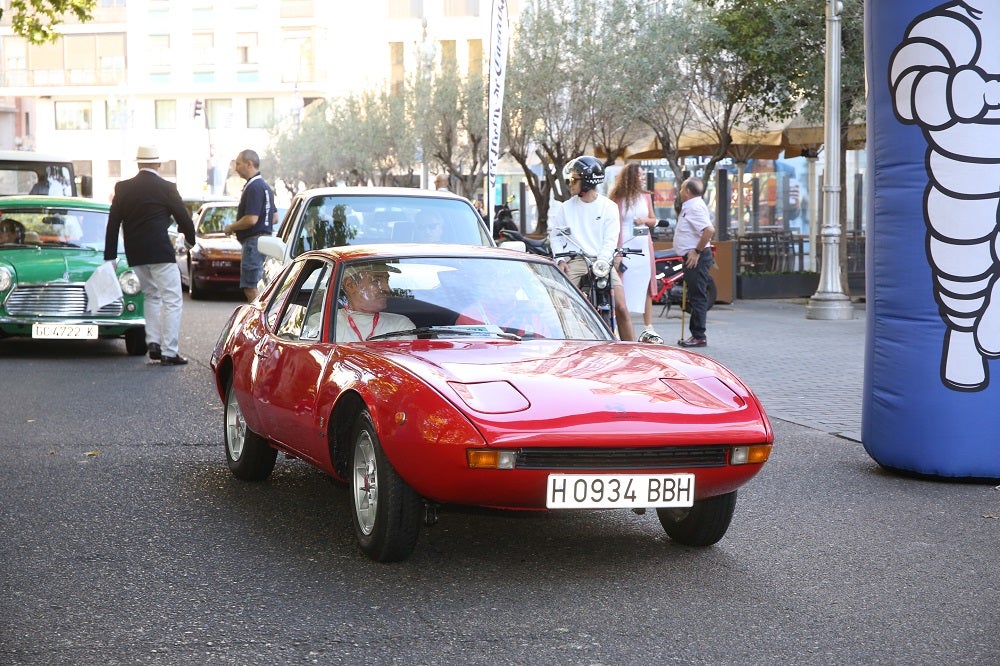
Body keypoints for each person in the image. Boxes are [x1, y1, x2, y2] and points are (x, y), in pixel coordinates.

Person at [104, 145, 196, 365]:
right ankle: (169, 351)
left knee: (151, 295)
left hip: (135, 253)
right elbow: (184, 218)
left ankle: (153, 343)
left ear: (138, 164)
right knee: (173, 299)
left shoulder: (123, 187)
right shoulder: (166, 187)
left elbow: (113, 223)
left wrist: (110, 256)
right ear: (158, 164)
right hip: (160, 251)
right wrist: (190, 241)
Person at [547, 156, 634, 341]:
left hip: (601, 261)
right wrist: (560, 260)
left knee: (622, 307)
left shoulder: (608, 207)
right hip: (576, 260)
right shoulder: (565, 208)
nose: (569, 183)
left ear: (586, 182)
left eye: (573, 179)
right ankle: (567, 341)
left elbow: (611, 240)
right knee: (561, 302)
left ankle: (632, 350)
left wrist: (603, 260)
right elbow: (555, 236)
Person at [609, 163, 658, 338]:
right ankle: (621, 324)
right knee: (622, 286)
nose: (642, 178)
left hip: (643, 247)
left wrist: (644, 219)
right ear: (630, 177)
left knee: (645, 286)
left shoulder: (645, 197)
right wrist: (617, 252)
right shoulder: (617, 197)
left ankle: (648, 327)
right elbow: (612, 224)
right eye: (639, 175)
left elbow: (653, 220)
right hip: (624, 248)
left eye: (643, 175)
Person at [223, 149, 276, 302]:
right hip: (265, 241)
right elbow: (274, 218)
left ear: (249, 163)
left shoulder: (253, 187)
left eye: (238, 164)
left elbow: (251, 219)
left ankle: (258, 323)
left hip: (253, 242)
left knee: (250, 287)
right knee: (260, 286)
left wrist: (231, 227)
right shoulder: (265, 187)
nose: (236, 168)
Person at [673, 177, 715, 348]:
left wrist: (696, 251)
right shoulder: (691, 206)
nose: (680, 191)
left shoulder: (695, 207)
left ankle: (699, 335)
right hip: (692, 257)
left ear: (688, 191)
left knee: (697, 296)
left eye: (682, 188)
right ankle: (696, 334)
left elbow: (709, 230)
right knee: (694, 294)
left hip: (696, 258)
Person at [335, 261, 415, 341]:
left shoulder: (401, 325)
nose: (387, 289)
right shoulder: (326, 323)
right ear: (350, 285)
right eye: (376, 281)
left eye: (387, 280)